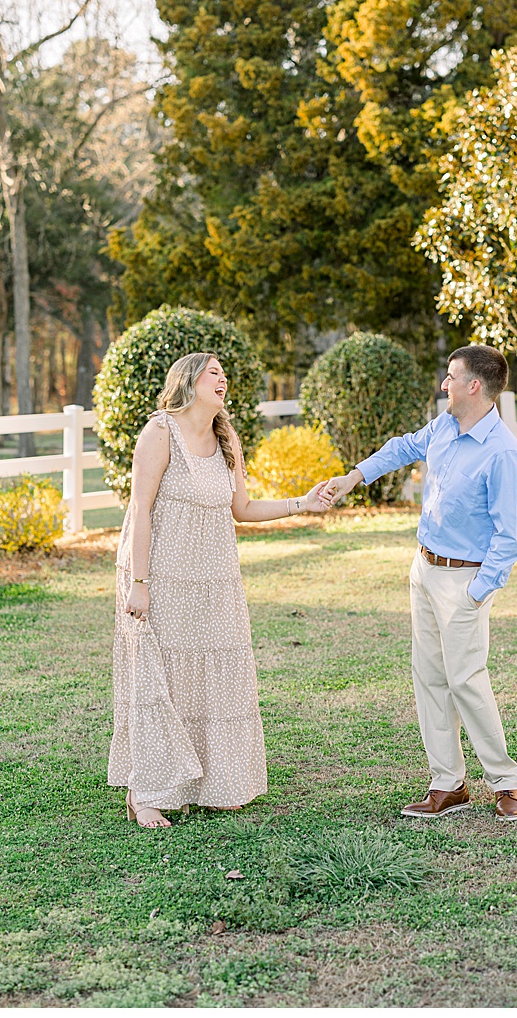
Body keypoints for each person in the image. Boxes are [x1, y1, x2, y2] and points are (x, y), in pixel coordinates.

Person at [110, 352, 329, 829]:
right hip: (163, 575)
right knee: (163, 678)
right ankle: (145, 793)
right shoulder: (160, 432)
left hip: (215, 579)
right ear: (188, 381)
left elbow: (242, 509)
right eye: (214, 372)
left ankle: (211, 785)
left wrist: (303, 503)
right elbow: (140, 510)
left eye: (224, 373)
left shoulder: (226, 437)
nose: (223, 378)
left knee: (215, 679)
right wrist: (140, 584)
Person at [314, 343, 517, 822]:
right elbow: (402, 447)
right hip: (425, 569)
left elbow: (510, 536)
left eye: (451, 377)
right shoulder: (444, 427)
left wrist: (477, 592)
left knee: (466, 680)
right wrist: (354, 477)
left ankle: (505, 783)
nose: (444, 385)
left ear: (474, 385)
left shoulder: (503, 455)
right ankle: (447, 784)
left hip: (465, 580)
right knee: (430, 678)